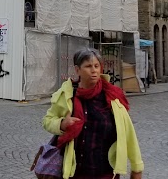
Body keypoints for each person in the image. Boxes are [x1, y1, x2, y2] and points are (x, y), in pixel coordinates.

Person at [42, 48, 144, 179]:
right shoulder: (67, 95)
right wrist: (61, 124)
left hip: (106, 172)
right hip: (75, 172)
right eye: (88, 66)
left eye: (97, 66)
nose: (94, 70)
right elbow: (47, 120)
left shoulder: (112, 97)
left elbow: (128, 133)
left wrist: (137, 167)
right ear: (77, 70)